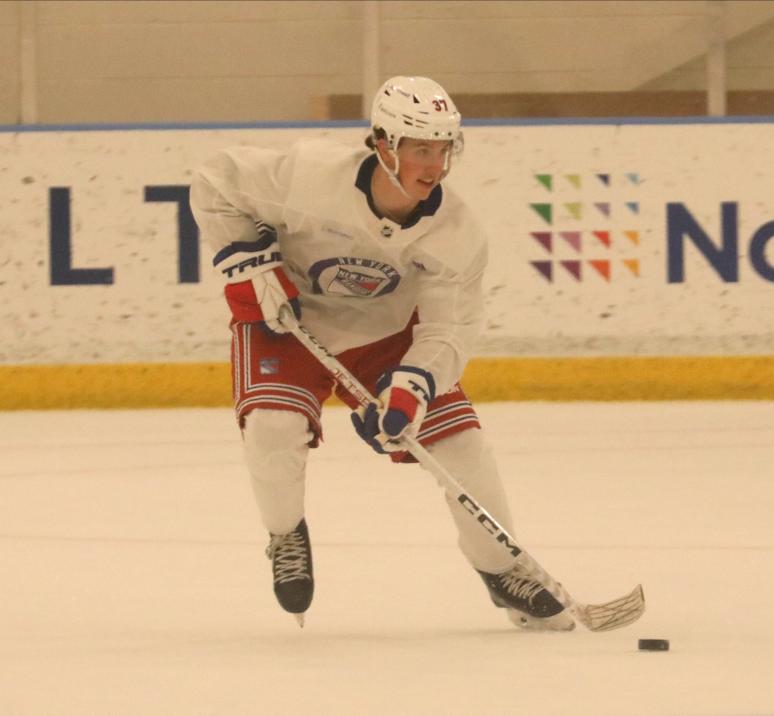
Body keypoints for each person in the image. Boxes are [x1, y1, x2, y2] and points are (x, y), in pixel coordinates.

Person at [189, 76, 573, 631]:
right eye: (421, 148)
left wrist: (413, 386)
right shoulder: (310, 178)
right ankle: (285, 535)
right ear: (382, 143)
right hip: (287, 316)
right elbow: (214, 180)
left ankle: (502, 567)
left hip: (388, 334)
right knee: (273, 427)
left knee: (461, 445)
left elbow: (449, 328)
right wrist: (252, 261)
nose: (435, 165)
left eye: (444, 149)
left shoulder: (456, 233)